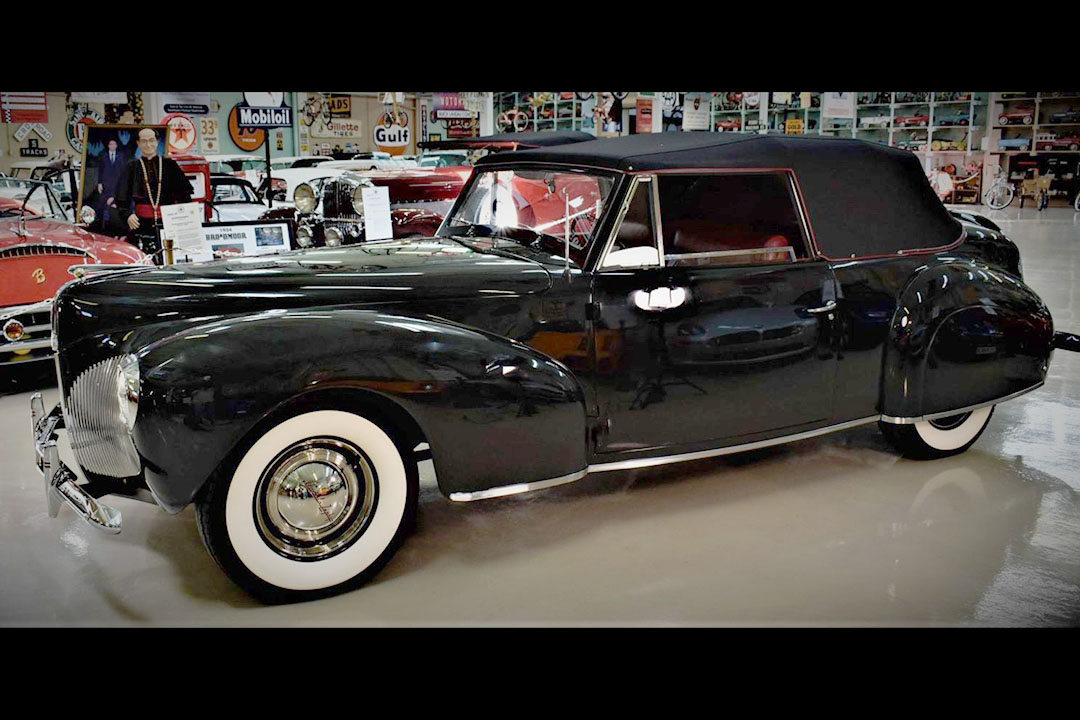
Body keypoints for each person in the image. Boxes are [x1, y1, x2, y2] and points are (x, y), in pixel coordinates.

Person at [114, 127, 192, 263]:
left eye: (151, 140)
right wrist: (127, 215)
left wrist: (183, 219)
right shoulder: (132, 167)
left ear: (157, 142)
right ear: (138, 143)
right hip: (141, 224)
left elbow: (185, 196)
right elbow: (121, 197)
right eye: (144, 141)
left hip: (169, 223)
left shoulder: (170, 165)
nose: (148, 144)